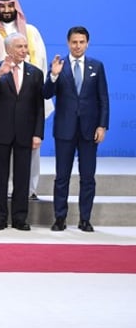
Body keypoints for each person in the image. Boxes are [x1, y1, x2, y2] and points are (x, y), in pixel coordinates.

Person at [0, 0, 49, 200]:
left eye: (10, 6)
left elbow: (40, 62)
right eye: (2, 6)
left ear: (16, 7)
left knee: (26, 157)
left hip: (26, 104)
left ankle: (26, 191)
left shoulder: (31, 32)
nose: (6, 10)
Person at [42, 26, 109, 232]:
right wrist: (53, 76)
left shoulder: (96, 66)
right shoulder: (59, 65)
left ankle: (84, 219)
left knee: (87, 177)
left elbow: (103, 99)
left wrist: (102, 125)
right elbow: (46, 94)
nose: (77, 46)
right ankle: (60, 218)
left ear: (87, 43)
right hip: (64, 130)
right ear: (68, 43)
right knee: (62, 177)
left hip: (89, 131)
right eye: (74, 42)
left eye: (81, 42)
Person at [0, 32, 44, 231]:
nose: (24, 50)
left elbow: (39, 106)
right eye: (19, 47)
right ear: (8, 50)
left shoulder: (35, 73)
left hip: (25, 132)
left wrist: (37, 133)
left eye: (25, 46)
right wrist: (0, 73)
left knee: (22, 177)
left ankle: (19, 218)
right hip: (1, 131)